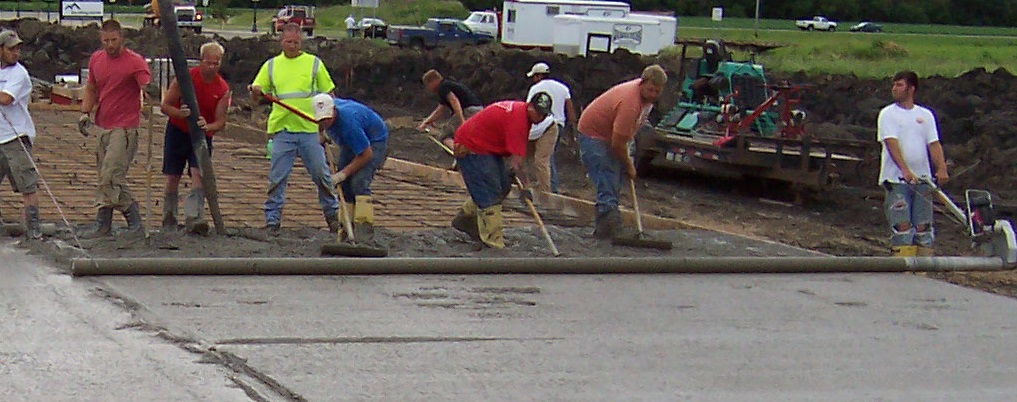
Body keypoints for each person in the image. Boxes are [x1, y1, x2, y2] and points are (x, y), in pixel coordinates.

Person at [249, 23, 339, 234]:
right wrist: (256, 91)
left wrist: (327, 120)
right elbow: (257, 95)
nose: (292, 46)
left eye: (296, 42)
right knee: (277, 177)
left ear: (301, 42)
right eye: (288, 42)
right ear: (282, 42)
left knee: (321, 175)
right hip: (283, 129)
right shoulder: (271, 66)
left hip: (309, 129)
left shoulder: (313, 64)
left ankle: (333, 216)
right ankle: (272, 221)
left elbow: (329, 95)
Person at [78, 19, 152, 238]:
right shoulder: (96, 59)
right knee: (103, 175)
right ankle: (103, 225)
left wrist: (150, 91)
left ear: (122, 38)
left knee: (112, 176)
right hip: (103, 125)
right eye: (106, 41)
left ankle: (135, 222)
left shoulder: (134, 62)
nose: (110, 45)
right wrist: (85, 112)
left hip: (125, 127)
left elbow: (146, 85)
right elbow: (91, 87)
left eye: (114, 40)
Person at [450, 93, 552, 249]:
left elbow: (515, 158)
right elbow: (517, 163)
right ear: (529, 106)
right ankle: (493, 243)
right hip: (472, 146)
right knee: (489, 194)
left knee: (503, 185)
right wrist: (525, 187)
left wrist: (519, 179)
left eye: (544, 115)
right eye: (537, 112)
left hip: (488, 147)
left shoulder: (522, 115)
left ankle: (465, 218)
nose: (540, 118)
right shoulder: (519, 120)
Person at [577, 64, 667, 239]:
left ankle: (604, 228)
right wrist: (629, 165)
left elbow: (627, 133)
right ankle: (610, 224)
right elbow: (617, 143)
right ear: (642, 83)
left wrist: (627, 157)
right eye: (650, 90)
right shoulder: (630, 102)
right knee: (607, 176)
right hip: (594, 135)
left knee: (615, 178)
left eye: (657, 91)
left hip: (613, 134)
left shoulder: (646, 100)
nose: (654, 95)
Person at [159, 42, 230, 235]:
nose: (212, 67)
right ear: (201, 61)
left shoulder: (222, 88)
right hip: (178, 131)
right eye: (208, 63)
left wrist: (208, 127)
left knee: (199, 174)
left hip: (201, 135)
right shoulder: (186, 78)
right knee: (173, 175)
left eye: (216, 64)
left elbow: (221, 121)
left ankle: (194, 217)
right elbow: (165, 106)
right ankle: (169, 217)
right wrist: (180, 113)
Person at [877, 70, 949, 257]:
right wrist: (904, 170)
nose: (894, 88)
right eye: (893, 84)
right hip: (896, 180)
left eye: (899, 85)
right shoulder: (888, 114)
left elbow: (933, 144)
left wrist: (941, 169)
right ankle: (903, 267)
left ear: (911, 88)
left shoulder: (925, 115)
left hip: (922, 180)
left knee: (923, 226)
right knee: (902, 225)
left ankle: (924, 269)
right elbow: (891, 143)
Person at [311, 94, 388, 242]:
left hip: (374, 141)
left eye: (328, 119)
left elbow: (366, 154)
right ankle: (346, 232)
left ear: (334, 110)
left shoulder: (348, 124)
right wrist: (321, 133)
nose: (325, 122)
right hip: (350, 141)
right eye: (322, 120)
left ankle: (364, 236)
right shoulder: (325, 113)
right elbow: (320, 120)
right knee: (344, 187)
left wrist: (343, 173)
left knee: (358, 183)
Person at [0, 31, 42, 239]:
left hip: (15, 137)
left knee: (27, 184)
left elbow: (6, 98)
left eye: (18, 48)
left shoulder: (19, 73)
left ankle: (34, 230)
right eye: (11, 49)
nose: (16, 52)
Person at [525, 62, 577, 194]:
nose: (533, 79)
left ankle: (551, 189)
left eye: (534, 76)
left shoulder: (536, 88)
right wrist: (574, 127)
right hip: (559, 124)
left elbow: (528, 108)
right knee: (548, 157)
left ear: (539, 75)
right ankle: (546, 184)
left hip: (543, 126)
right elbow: (570, 108)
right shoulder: (562, 87)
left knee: (544, 158)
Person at [416, 69, 484, 150]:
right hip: (479, 110)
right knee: (466, 136)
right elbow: (439, 111)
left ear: (433, 81)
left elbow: (454, 101)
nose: (428, 88)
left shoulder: (442, 87)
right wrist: (425, 123)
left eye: (428, 85)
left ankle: (459, 153)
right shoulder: (448, 85)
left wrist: (462, 120)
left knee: (444, 136)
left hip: (468, 111)